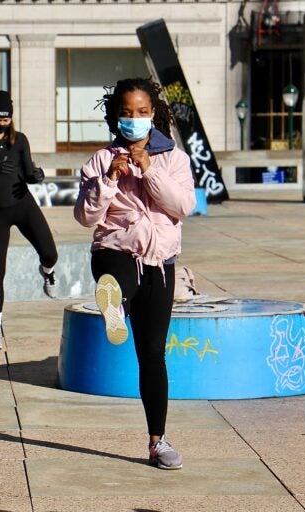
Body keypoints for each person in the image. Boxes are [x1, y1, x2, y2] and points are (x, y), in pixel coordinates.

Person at [73, 77, 196, 469]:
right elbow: (85, 217)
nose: (134, 120)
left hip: (160, 266)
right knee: (118, 271)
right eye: (126, 113)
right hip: (114, 252)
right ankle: (114, 302)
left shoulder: (174, 159)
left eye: (142, 112)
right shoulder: (99, 161)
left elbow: (183, 206)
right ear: (115, 117)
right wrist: (109, 180)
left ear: (154, 114)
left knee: (153, 355)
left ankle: (158, 442)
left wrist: (148, 172)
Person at [0, 90, 59, 350]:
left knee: (50, 253)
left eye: (6, 120)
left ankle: (47, 272)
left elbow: (28, 173)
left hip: (23, 205)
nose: (1, 124)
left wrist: (37, 175)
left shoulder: (20, 141)